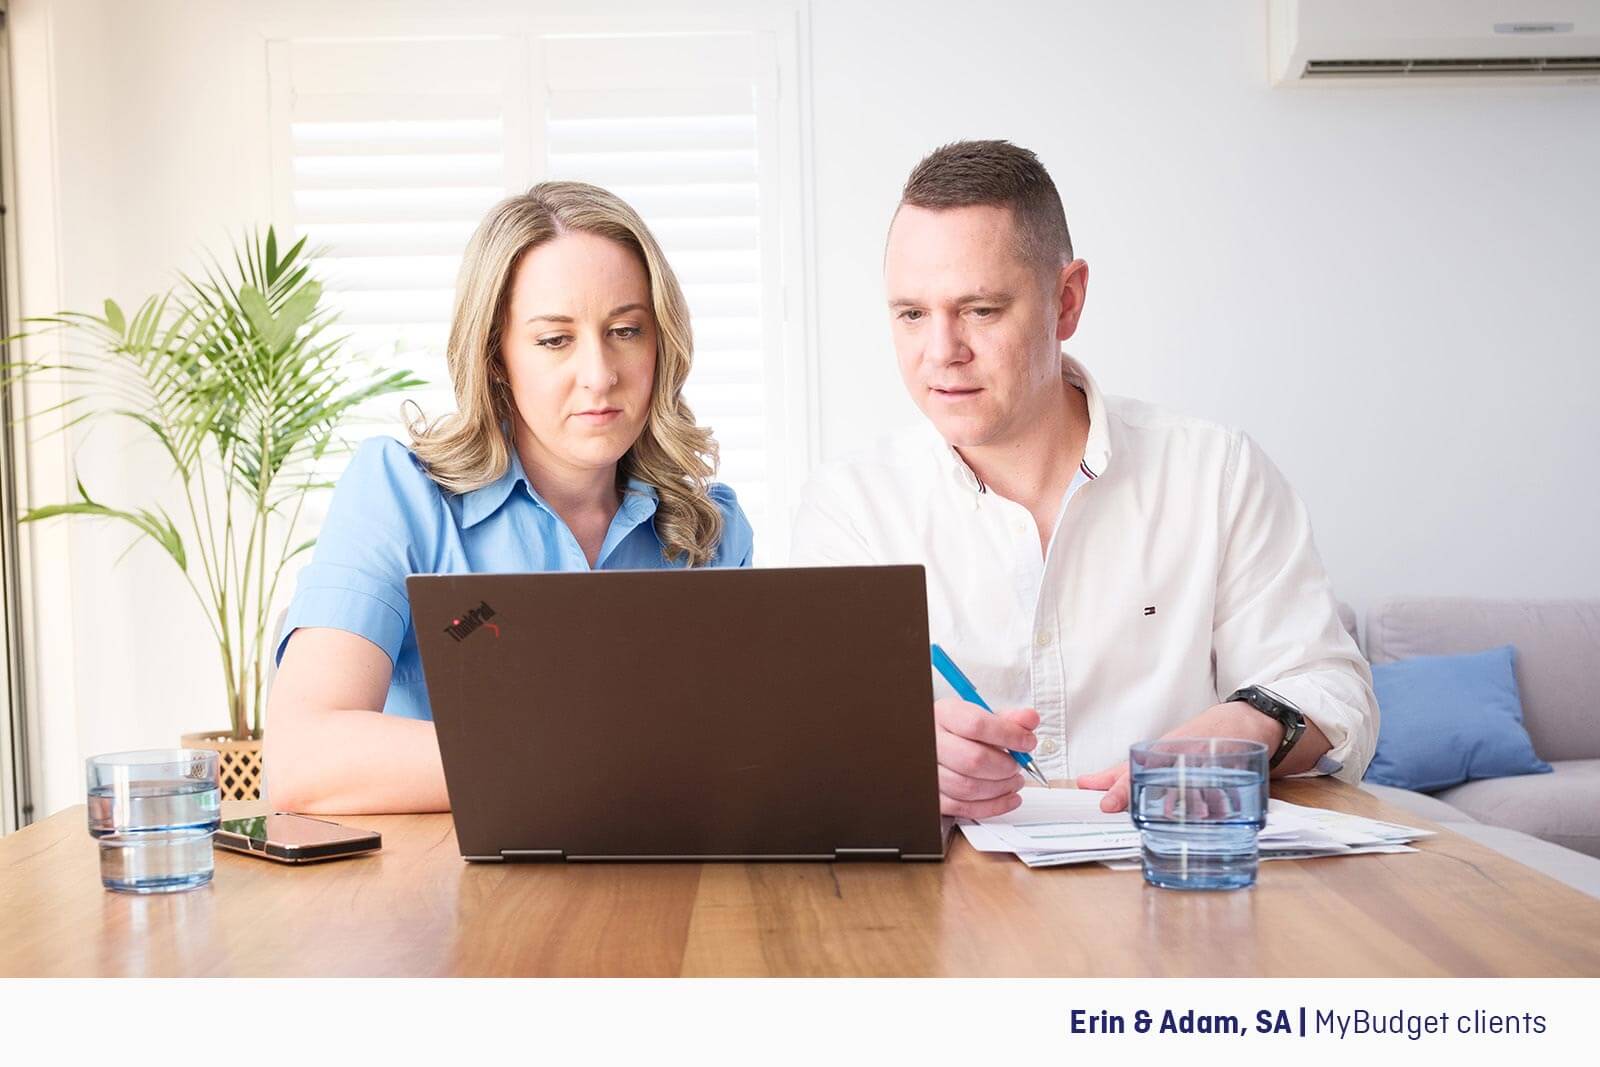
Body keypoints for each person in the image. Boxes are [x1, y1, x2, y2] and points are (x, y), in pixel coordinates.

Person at [790, 140, 1376, 818]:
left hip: (1173, 876)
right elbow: (812, 736)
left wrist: (1251, 726)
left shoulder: (1215, 473)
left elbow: (1333, 690)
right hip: (956, 901)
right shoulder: (853, 508)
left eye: (980, 310)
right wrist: (892, 752)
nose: (941, 352)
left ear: (1066, 301)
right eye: (912, 314)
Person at [265, 181, 753, 814]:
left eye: (626, 331)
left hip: (660, 898)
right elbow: (304, 759)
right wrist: (582, 759)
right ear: (497, 355)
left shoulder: (710, 530)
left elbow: (735, 764)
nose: (600, 373)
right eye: (555, 340)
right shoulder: (402, 495)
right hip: (442, 899)